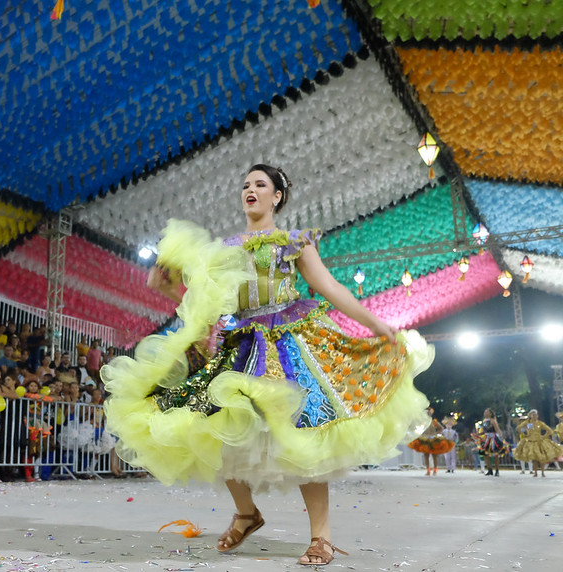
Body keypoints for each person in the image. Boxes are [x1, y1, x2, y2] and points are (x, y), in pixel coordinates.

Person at [102, 164, 433, 565]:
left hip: (291, 344)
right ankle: (246, 513)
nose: (250, 190)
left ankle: (321, 537)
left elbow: (328, 286)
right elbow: (206, 307)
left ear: (277, 196)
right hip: (241, 345)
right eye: (245, 185)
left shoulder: (294, 242)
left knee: (307, 431)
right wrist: (171, 288)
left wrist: (376, 324)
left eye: (260, 184)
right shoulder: (224, 249)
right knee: (215, 426)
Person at [513, 409, 563, 477]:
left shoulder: (540, 423)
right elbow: (518, 428)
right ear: (530, 415)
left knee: (542, 458)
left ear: (537, 416)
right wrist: (524, 434)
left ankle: (542, 472)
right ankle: (535, 472)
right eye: (533, 415)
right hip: (530, 441)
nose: (534, 416)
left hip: (539, 441)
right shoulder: (528, 423)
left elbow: (549, 430)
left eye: (535, 415)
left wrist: (544, 436)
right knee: (534, 459)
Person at [407, 408, 454, 476]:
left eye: (429, 414)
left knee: (434, 455)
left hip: (433, 439)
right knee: (426, 455)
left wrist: (437, 434)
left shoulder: (434, 422)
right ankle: (428, 470)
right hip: (424, 439)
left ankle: (435, 469)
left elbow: (441, 428)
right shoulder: (422, 422)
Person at [477, 408, 507, 477]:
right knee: (485, 454)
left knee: (496, 454)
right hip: (486, 438)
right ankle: (489, 469)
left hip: (493, 438)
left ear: (490, 413)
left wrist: (501, 438)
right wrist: (479, 434)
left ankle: (497, 470)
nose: (485, 413)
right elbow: (484, 431)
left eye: (487, 412)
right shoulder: (484, 421)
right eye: (485, 412)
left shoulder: (493, 421)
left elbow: (497, 429)